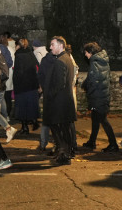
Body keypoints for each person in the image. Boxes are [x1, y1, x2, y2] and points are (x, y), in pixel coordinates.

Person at [43, 36, 77, 166]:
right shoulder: (67, 59)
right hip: (63, 102)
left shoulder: (60, 61)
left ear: (60, 45)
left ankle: (64, 153)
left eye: (52, 45)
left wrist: (49, 95)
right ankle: (64, 153)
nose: (50, 47)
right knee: (63, 128)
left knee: (58, 129)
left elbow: (59, 84)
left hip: (58, 102)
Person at [81, 41, 118, 152]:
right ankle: (92, 142)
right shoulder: (102, 61)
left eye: (86, 53)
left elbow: (93, 80)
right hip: (102, 94)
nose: (85, 55)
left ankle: (113, 144)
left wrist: (88, 89)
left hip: (98, 96)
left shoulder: (94, 62)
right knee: (96, 119)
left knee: (102, 120)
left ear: (90, 52)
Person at [12, 38, 40, 134]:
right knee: (31, 104)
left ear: (18, 45)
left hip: (22, 85)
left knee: (22, 107)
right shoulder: (30, 53)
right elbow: (37, 66)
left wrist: (15, 83)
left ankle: (24, 127)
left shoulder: (19, 55)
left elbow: (18, 72)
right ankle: (34, 121)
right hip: (32, 84)